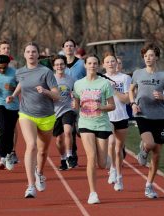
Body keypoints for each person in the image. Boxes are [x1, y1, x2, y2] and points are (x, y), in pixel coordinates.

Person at [6, 42, 59, 198]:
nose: (31, 54)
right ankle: (30, 186)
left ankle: (40, 174)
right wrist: (13, 96)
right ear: (24, 54)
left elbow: (57, 95)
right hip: (26, 114)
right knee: (31, 145)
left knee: (42, 152)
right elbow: (22, 84)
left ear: (38, 54)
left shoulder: (46, 72)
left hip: (47, 115)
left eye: (34, 51)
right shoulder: (20, 72)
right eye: (28, 51)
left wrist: (45, 91)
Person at [129, 43, 164, 199]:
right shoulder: (137, 73)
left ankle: (149, 185)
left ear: (156, 57)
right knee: (150, 144)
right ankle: (143, 150)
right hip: (142, 114)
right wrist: (133, 103)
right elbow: (131, 90)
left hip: (159, 116)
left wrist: (163, 97)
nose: (147, 58)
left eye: (150, 55)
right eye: (145, 56)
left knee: (156, 154)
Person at [73, 54, 115, 204]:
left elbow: (112, 106)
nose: (92, 65)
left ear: (98, 66)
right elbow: (77, 103)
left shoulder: (104, 84)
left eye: (95, 63)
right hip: (85, 124)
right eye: (89, 63)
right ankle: (93, 193)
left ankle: (111, 164)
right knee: (91, 157)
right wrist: (74, 105)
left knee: (102, 163)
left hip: (102, 124)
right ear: (85, 65)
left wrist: (101, 107)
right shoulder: (78, 84)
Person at [103, 52, 131, 191]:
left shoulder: (125, 78)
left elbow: (126, 99)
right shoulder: (100, 79)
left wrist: (114, 90)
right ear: (103, 65)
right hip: (107, 116)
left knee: (119, 148)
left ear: (117, 63)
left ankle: (119, 176)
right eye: (107, 62)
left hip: (122, 116)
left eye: (113, 61)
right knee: (112, 143)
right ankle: (113, 170)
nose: (110, 64)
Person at [63, 39, 87, 167]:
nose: (69, 48)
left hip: (83, 99)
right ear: (63, 48)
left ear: (75, 48)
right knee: (69, 130)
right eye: (66, 46)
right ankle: (73, 155)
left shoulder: (82, 64)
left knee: (82, 130)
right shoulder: (60, 64)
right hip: (67, 102)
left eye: (71, 46)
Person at [52, 55, 77, 170]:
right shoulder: (50, 79)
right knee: (59, 139)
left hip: (68, 109)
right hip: (54, 111)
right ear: (54, 67)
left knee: (68, 131)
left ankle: (69, 156)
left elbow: (76, 94)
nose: (59, 66)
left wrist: (75, 101)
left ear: (65, 66)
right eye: (57, 64)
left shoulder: (71, 79)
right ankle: (62, 158)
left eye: (62, 64)